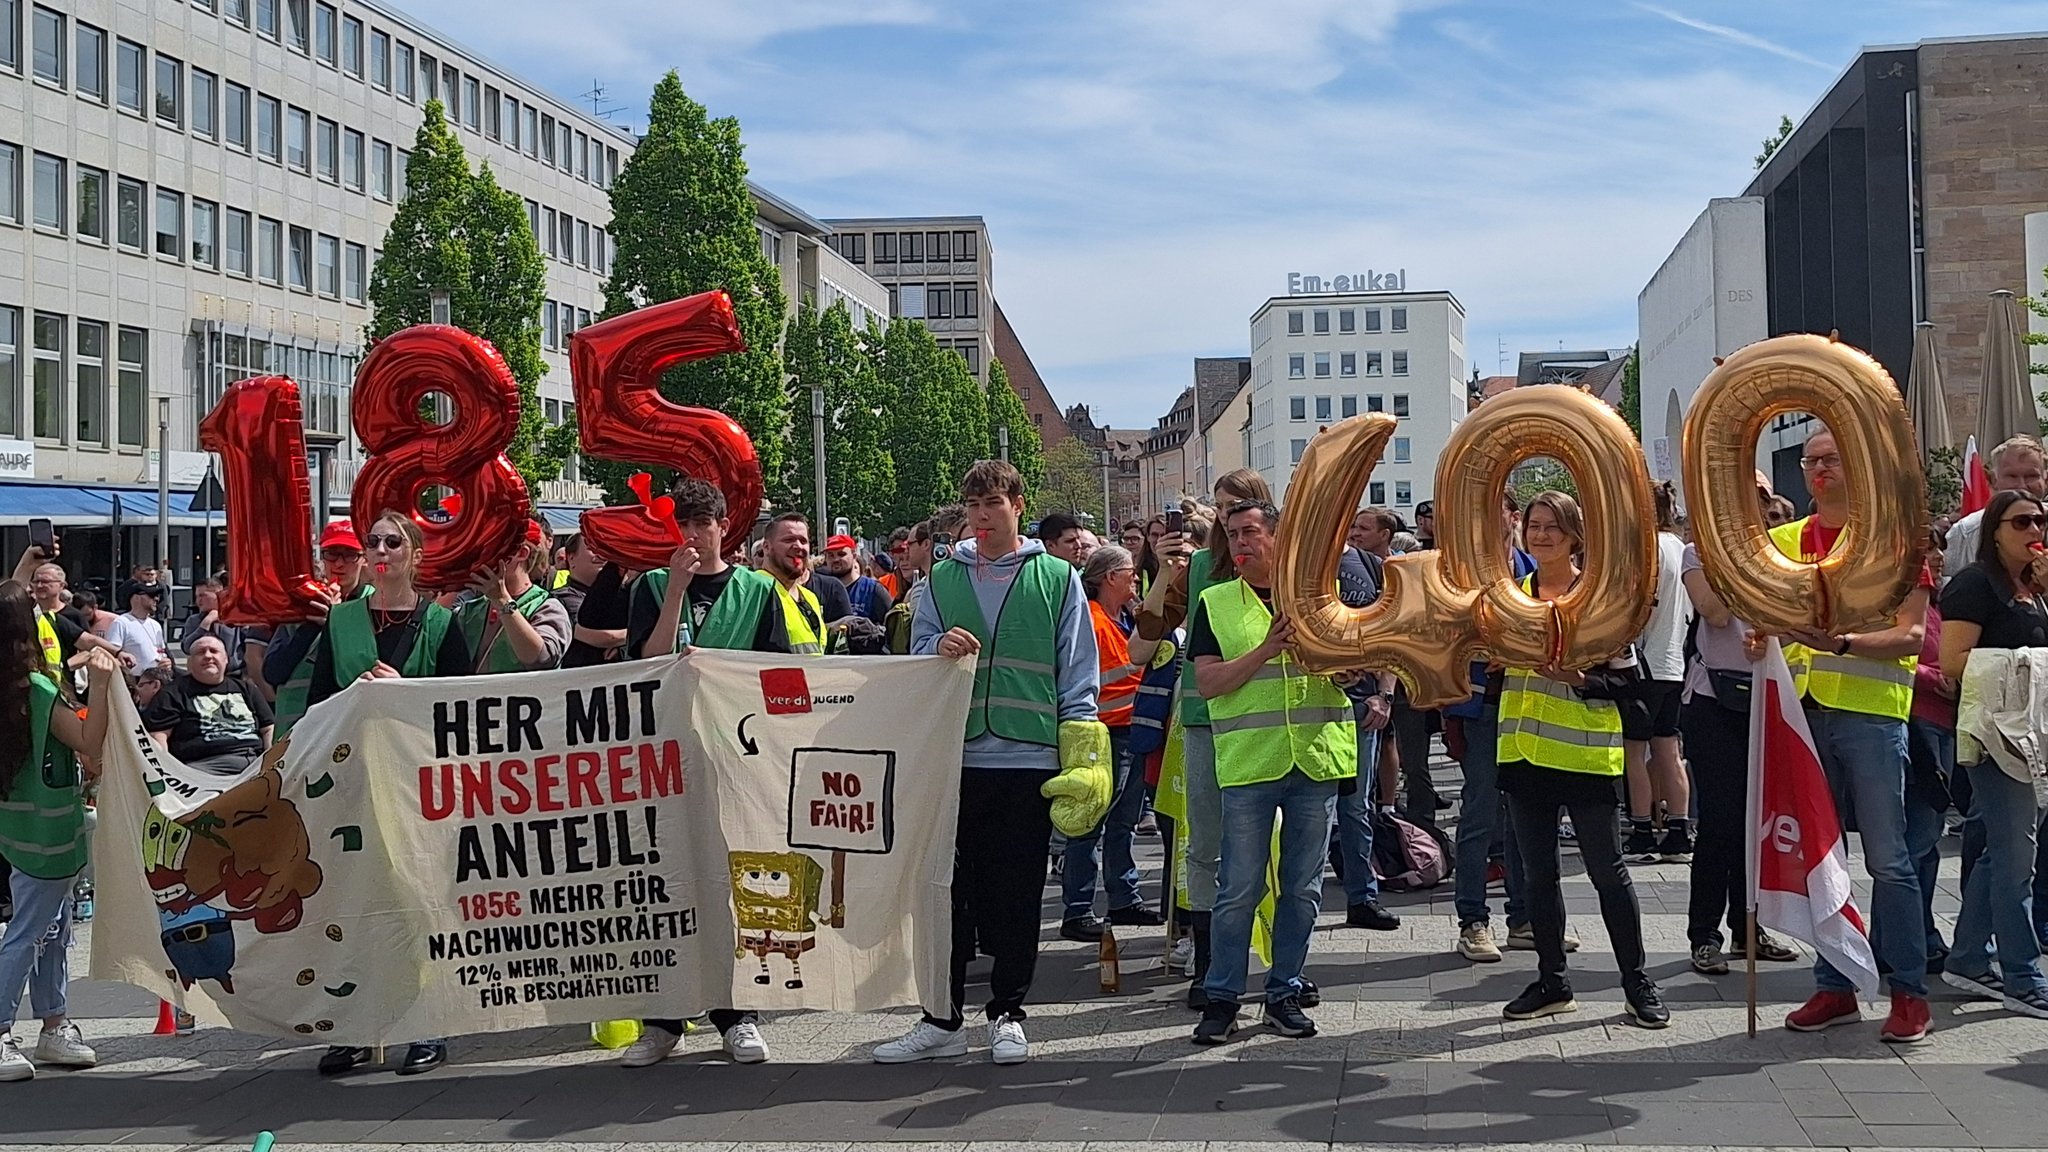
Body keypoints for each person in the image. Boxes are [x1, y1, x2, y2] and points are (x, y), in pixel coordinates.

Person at [875, 460, 1099, 1065]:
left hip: (1028, 757)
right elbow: (917, 652)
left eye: (993, 504)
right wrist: (936, 646)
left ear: (1017, 505)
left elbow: (1078, 671)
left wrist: (1077, 754)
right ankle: (942, 1020)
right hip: (955, 755)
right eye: (973, 506)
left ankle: (1007, 1013)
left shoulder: (1056, 576)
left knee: (1019, 891)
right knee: (947, 892)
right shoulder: (942, 579)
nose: (981, 516)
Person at [619, 479, 793, 1067]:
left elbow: (776, 675)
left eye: (702, 523)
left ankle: (735, 1015)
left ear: (725, 526)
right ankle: (663, 1021)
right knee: (664, 886)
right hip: (664, 758)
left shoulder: (758, 591)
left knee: (729, 887)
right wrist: (675, 593)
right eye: (683, 524)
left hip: (731, 759)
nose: (692, 534)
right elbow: (644, 662)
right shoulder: (649, 585)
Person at [1776, 428, 1935, 1043]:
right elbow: (1763, 621)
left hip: (1870, 715)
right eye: (1811, 460)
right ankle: (1835, 984)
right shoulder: (1784, 541)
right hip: (1801, 715)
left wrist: (1841, 643)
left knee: (1890, 862)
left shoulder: (1895, 539)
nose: (1817, 469)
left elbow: (1914, 636)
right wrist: (1760, 637)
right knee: (1820, 858)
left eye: (1831, 459)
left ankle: (1909, 993)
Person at [310, 511, 473, 1077]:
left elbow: (461, 712)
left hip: (417, 783)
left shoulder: (439, 623)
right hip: (355, 780)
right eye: (371, 542)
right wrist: (352, 694)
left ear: (414, 553)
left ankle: (427, 1024)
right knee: (357, 902)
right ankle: (358, 1026)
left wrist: (406, 694)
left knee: (417, 903)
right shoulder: (340, 621)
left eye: (392, 541)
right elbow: (316, 707)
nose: (380, 550)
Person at [1495, 491, 1666, 1028]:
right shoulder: (1510, 595)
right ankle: (1553, 981)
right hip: (1522, 752)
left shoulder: (1598, 598)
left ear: (1575, 536)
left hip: (1586, 755)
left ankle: (1636, 982)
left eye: (1552, 527)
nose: (1540, 535)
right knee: (1537, 875)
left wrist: (1579, 680)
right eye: (1533, 525)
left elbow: (1630, 682)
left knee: (1608, 874)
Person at [1189, 500, 1358, 1043]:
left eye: (1250, 533)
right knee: (1238, 887)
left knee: (1303, 888)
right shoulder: (1215, 602)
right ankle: (1222, 997)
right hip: (1250, 763)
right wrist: (1267, 649)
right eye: (1232, 535)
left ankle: (1284, 991)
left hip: (1316, 758)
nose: (1240, 544)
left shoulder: (1321, 599)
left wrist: (1353, 670)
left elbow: (1356, 669)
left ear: (1280, 538)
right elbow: (1209, 684)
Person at [1131, 467, 1272, 1008]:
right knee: (1206, 845)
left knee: (1265, 849)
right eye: (1220, 506)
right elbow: (1140, 647)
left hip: (1267, 720)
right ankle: (1210, 962)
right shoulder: (1196, 569)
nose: (1227, 517)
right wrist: (1168, 573)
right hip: (1204, 718)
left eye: (1238, 505)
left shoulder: (1280, 565)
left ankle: (1269, 960)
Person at [0, 582, 119, 1081]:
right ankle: (7, 1029)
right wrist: (102, 683)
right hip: (49, 832)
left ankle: (54, 1023)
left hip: (20, 824)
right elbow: (91, 738)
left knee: (53, 928)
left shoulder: (13, 685)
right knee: (32, 933)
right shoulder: (40, 689)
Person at [1937, 488, 2048, 1017]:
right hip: (1995, 738)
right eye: (2022, 522)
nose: (2035, 532)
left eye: (2040, 522)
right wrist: (2026, 661)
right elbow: (1954, 661)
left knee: (2001, 854)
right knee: (2015, 859)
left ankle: (1967, 958)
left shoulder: (2034, 589)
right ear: (1995, 530)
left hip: (2034, 738)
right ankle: (2022, 974)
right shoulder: (1975, 585)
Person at [1680, 525, 1799, 975]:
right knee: (1721, 820)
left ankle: (1749, 926)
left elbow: (1789, 620)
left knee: (1756, 822)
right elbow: (1713, 611)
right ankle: (1704, 934)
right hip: (1713, 702)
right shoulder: (1699, 554)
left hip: (1764, 696)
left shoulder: (1776, 553)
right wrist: (1739, 562)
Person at [1445, 488, 1539, 963]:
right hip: (1482, 709)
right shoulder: (1463, 575)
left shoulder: (1532, 570)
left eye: (1492, 511)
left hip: (1529, 707)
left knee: (1525, 816)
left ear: (1510, 516)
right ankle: (1472, 919)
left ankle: (1523, 918)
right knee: (1480, 814)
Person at [1060, 546, 1162, 939]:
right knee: (1091, 821)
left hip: (1133, 728)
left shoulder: (1123, 618)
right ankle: (1078, 909)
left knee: (1124, 822)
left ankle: (1123, 899)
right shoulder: (1093, 619)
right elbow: (1117, 673)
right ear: (1108, 577)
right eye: (1128, 572)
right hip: (1105, 731)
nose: (1135, 578)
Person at [1623, 483, 1694, 864]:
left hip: (1644, 661)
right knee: (1668, 746)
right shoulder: (1680, 548)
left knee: (1634, 750)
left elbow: (1639, 606)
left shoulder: (1644, 550)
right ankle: (1679, 828)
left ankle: (1642, 828)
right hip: (1674, 661)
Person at [260, 520, 372, 738]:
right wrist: (312, 626)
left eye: (349, 555)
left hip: (351, 728)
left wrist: (338, 622)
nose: (339, 564)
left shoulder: (373, 605)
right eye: (332, 554)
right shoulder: (303, 606)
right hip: (297, 733)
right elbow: (273, 673)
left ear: (364, 559)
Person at [1902, 525, 1956, 974]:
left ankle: (1921, 933)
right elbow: (1902, 656)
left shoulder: (1941, 602)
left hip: (1946, 724)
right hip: (1918, 725)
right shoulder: (1902, 599)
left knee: (1929, 839)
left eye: (1939, 548)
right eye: (1927, 550)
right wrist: (1935, 678)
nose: (1936, 557)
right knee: (1917, 839)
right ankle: (1907, 938)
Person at [140, 635, 273, 776]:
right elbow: (158, 736)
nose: (208, 656)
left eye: (214, 651)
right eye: (201, 652)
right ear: (189, 663)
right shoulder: (171, 693)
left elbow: (268, 729)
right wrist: (168, 774)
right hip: (203, 770)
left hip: (255, 763)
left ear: (226, 659)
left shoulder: (246, 689)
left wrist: (271, 762)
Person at [451, 519, 570, 674]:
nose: (483, 555)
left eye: (493, 546)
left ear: (521, 553)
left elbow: (541, 659)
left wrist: (503, 602)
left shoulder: (547, 608)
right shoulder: (470, 611)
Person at [1943, 436, 2047, 581]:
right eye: (2012, 476)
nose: (2022, 485)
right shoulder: (1966, 532)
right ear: (1993, 480)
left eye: (2031, 476)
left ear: (2046, 481)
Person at [553, 533, 629, 668]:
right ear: (571, 558)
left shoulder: (623, 593)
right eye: (592, 547)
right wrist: (635, 636)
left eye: (604, 548)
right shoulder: (562, 598)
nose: (601, 555)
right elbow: (600, 637)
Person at [821, 534, 895, 626]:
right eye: (830, 555)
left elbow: (891, 627)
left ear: (854, 556)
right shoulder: (820, 590)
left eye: (841, 554)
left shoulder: (873, 590)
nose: (836, 559)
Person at [180, 578, 245, 678]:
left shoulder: (235, 619)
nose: (198, 601)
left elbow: (247, 649)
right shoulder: (193, 620)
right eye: (197, 596)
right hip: (202, 675)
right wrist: (205, 624)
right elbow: (187, 647)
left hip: (233, 675)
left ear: (218, 595)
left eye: (203, 595)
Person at [108, 579, 169, 671]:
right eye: (151, 595)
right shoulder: (121, 623)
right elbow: (111, 654)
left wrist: (166, 661)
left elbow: (161, 651)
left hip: (157, 679)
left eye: (157, 595)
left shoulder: (156, 625)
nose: (156, 599)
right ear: (136, 598)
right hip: (134, 681)